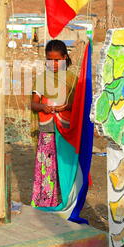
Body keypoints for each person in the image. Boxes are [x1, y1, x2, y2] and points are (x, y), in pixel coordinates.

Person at [30, 39, 77, 209]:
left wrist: (67, 106)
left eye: (57, 60)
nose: (53, 63)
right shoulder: (42, 79)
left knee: (65, 165)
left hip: (66, 129)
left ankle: (66, 201)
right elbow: (33, 103)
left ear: (65, 58)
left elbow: (79, 105)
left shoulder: (73, 79)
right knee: (46, 166)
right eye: (49, 59)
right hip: (47, 127)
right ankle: (45, 202)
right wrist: (43, 106)